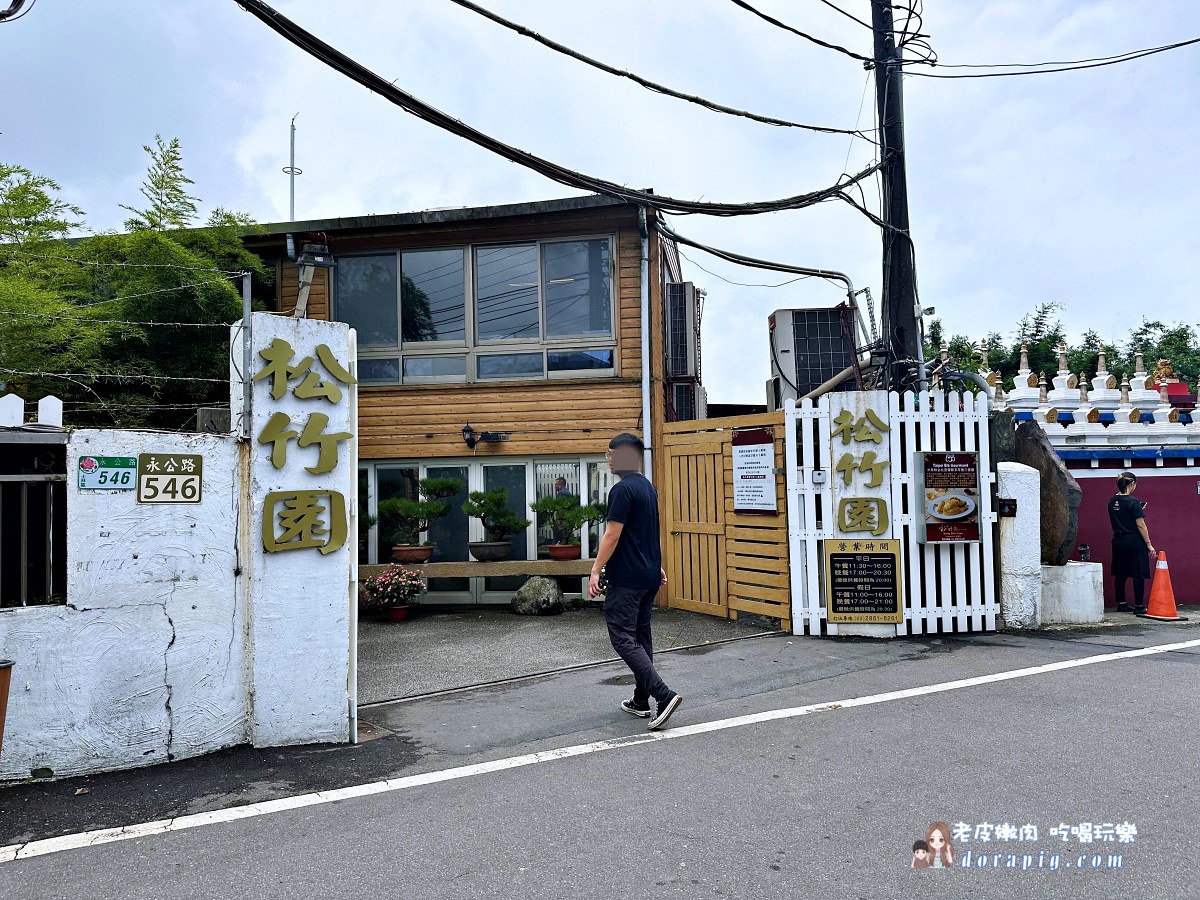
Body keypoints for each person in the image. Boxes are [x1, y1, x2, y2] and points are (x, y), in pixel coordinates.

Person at [589, 432, 682, 731]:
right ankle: (641, 700)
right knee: (642, 638)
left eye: (613, 454)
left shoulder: (622, 490)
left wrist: (595, 570)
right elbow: (647, 533)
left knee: (622, 637)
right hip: (648, 576)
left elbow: (613, 535)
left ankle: (663, 695)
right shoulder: (647, 488)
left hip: (627, 579)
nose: (610, 459)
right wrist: (656, 567)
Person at [1109, 472, 1155, 613]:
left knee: (1120, 572)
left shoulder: (1112, 501)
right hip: (1134, 541)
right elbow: (1141, 525)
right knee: (1138, 573)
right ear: (1132, 484)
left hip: (1118, 540)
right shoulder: (1133, 502)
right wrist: (1149, 544)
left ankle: (1122, 603)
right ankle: (1139, 606)